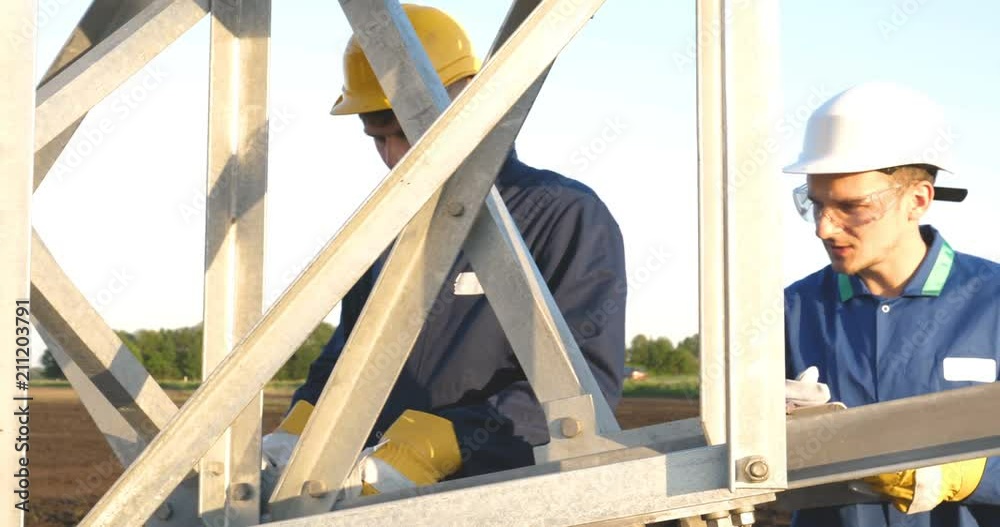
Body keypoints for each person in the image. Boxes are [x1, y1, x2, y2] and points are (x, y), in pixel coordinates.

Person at [264, 3, 627, 498]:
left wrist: (440, 445)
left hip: (504, 499)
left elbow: (588, 387)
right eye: (377, 138)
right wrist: (299, 429)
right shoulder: (387, 228)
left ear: (466, 100)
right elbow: (347, 362)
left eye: (405, 131)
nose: (393, 156)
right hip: (379, 501)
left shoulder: (562, 214)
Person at [782, 80, 1000, 526]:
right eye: (816, 204)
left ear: (917, 200)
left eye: (851, 206)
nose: (824, 228)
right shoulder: (794, 310)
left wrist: (961, 475)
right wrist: (771, 425)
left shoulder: (992, 301)